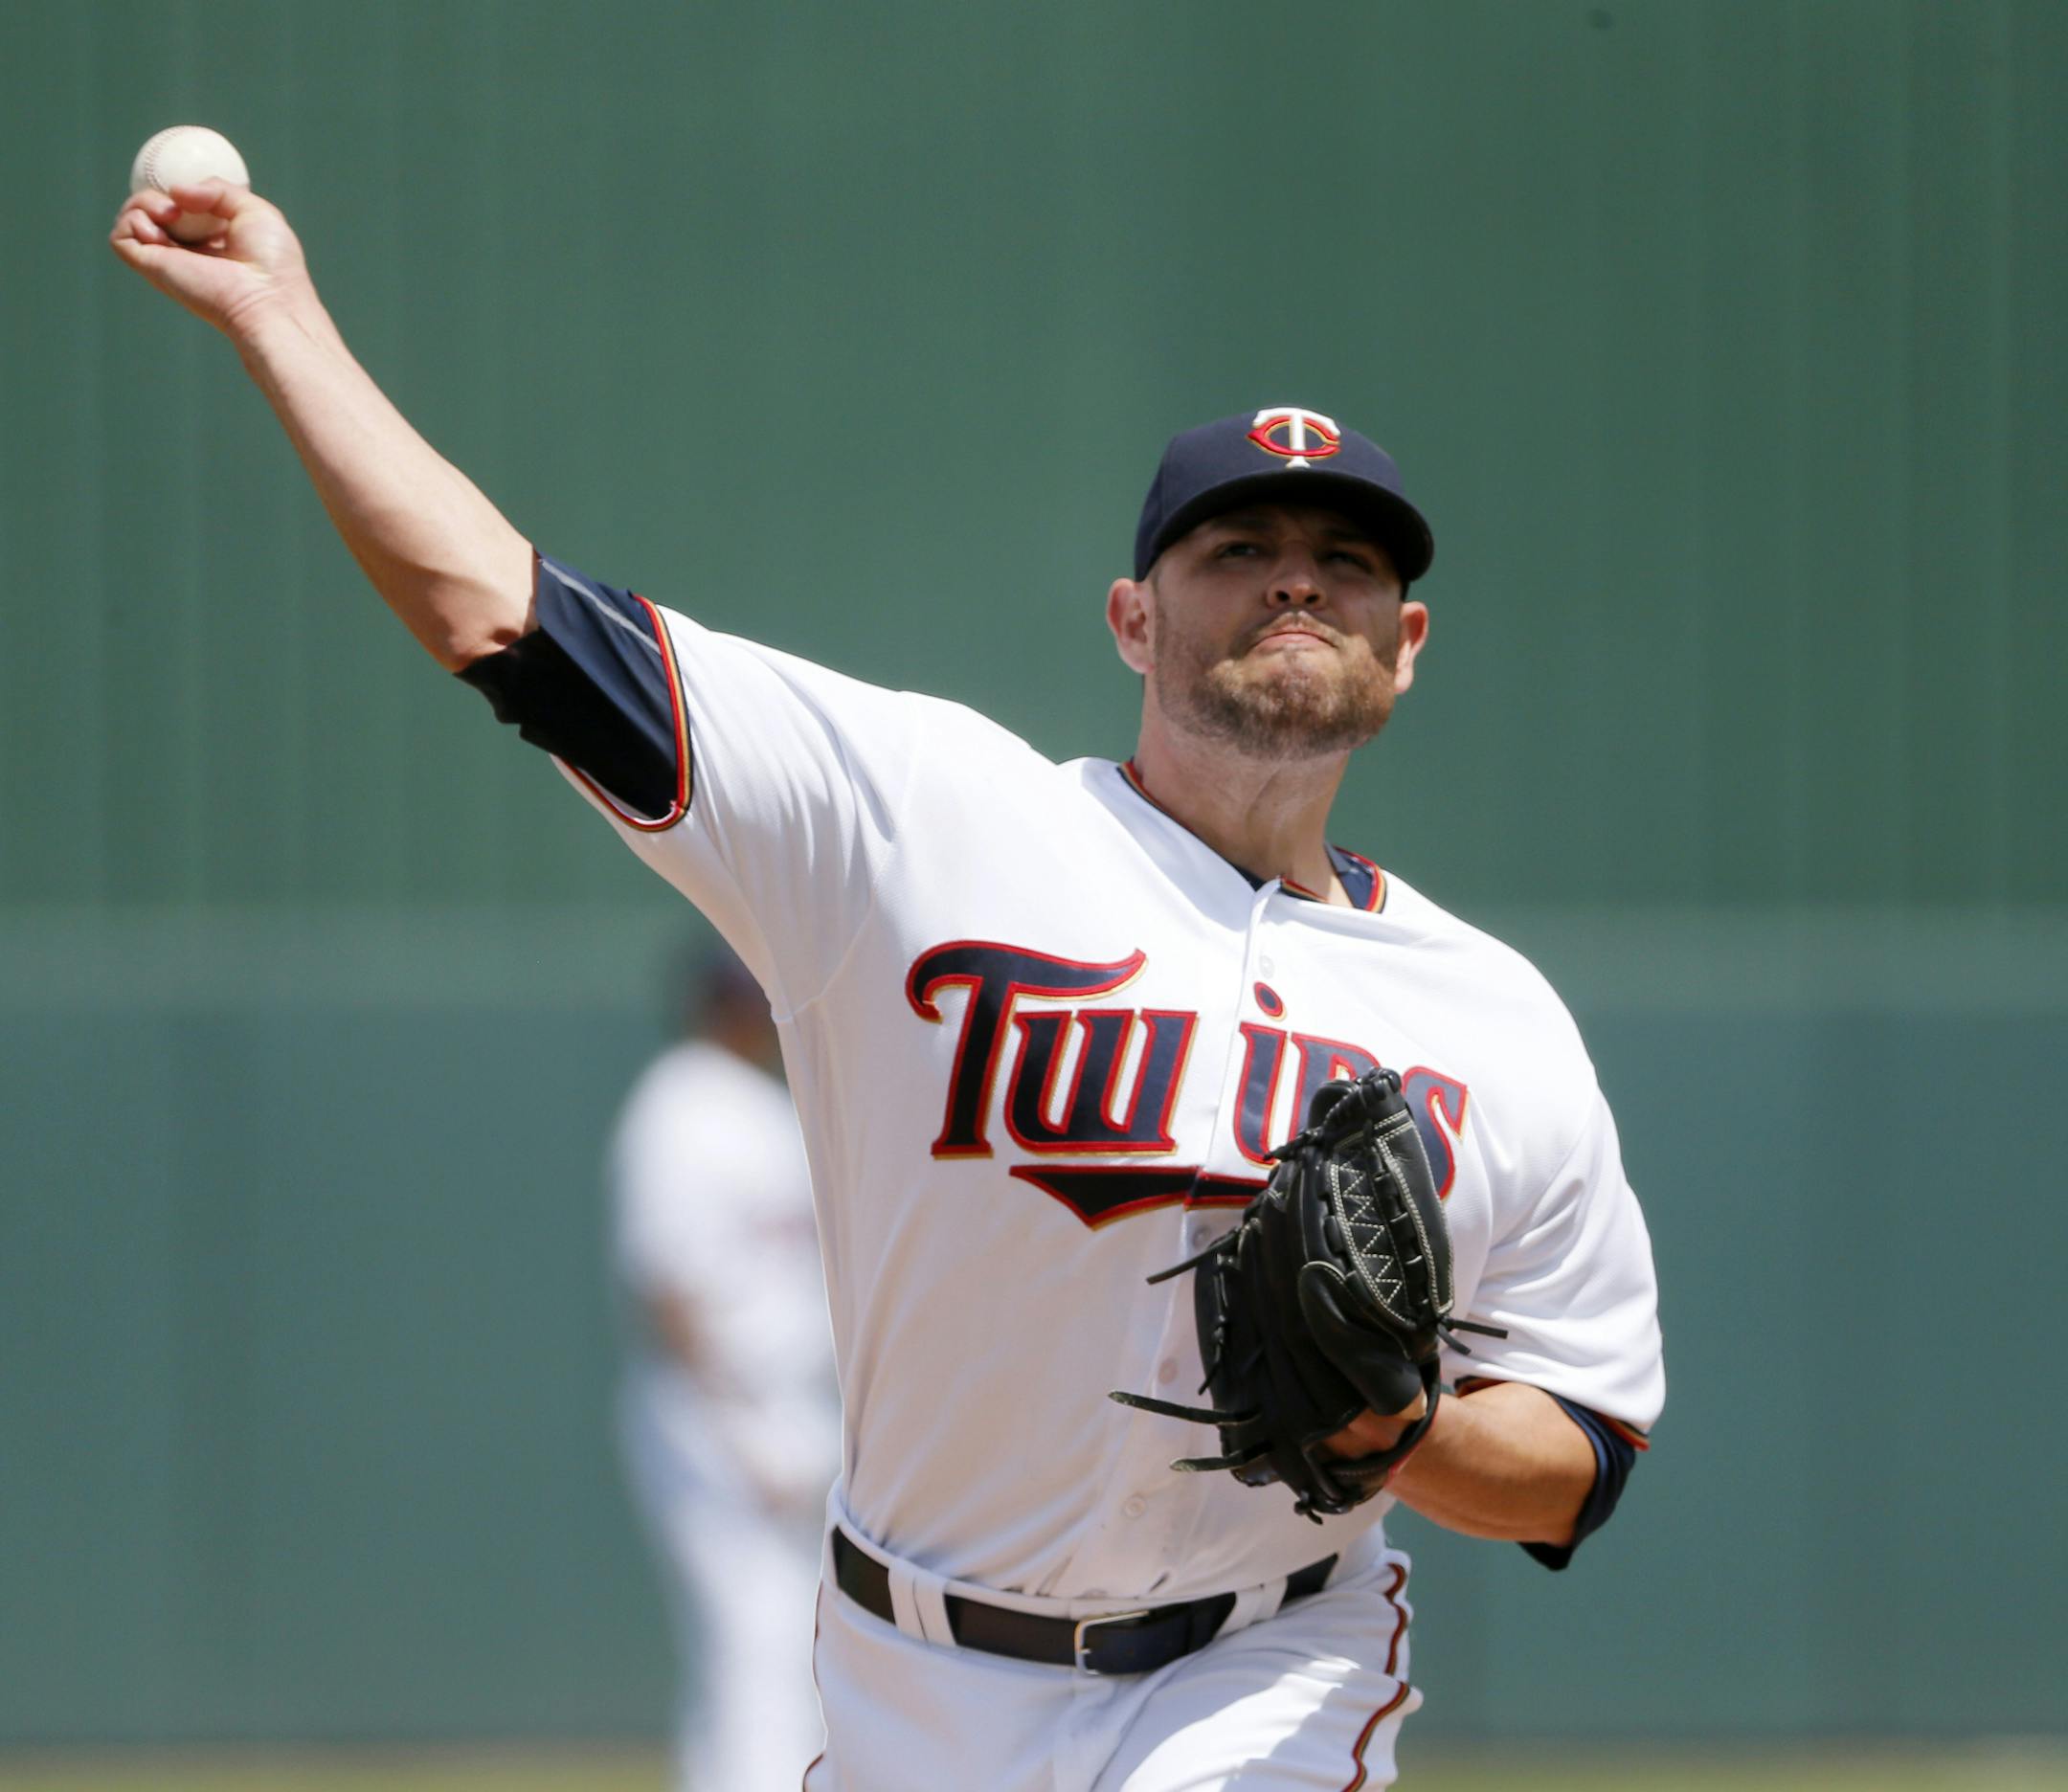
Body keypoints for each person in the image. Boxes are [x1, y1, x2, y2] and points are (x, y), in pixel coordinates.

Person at [113, 178, 1664, 1791]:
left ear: (1404, 643)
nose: (1295, 581)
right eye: (1237, 547)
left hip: (1272, 1656)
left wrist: (1400, 1431)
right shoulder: (917, 815)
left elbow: (1582, 1460)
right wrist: (278, 319)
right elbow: (492, 606)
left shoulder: (1493, 1015)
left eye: (1346, 560)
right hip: (913, 1674)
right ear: (1134, 619)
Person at [611, 945, 838, 1791]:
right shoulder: (680, 1109)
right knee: (755, 1643)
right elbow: (669, 1289)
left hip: (792, 1406)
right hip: (718, 1408)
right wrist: (740, 1430)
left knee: (803, 1643)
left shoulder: (757, 1105)